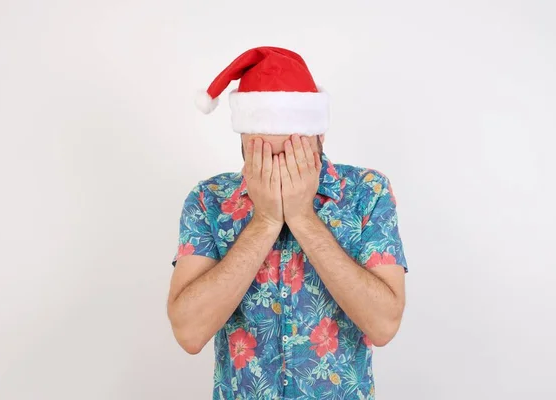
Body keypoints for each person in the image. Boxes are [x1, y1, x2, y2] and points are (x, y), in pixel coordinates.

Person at [167, 46, 408, 400]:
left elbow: (385, 324)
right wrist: (264, 221)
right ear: (242, 141)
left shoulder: (366, 193)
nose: (276, 169)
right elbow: (188, 332)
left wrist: (302, 217)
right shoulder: (209, 200)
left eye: (290, 153)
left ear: (319, 136)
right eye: (260, 153)